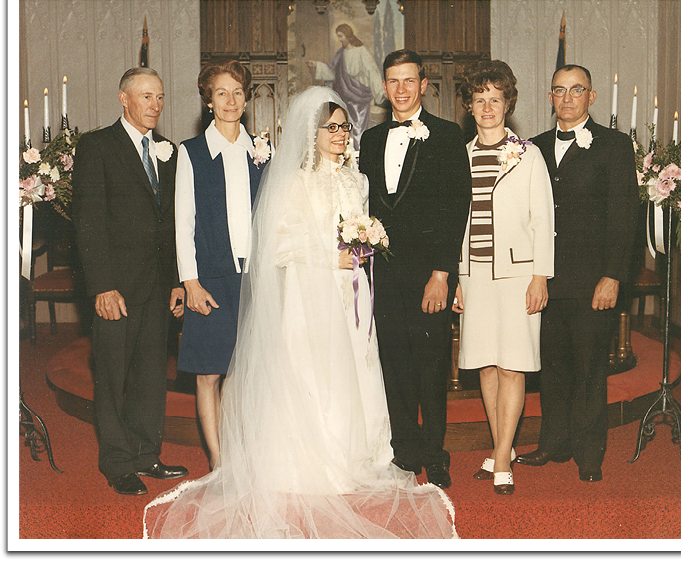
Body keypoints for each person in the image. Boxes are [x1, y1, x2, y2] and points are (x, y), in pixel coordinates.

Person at [144, 87, 456, 538]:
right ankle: (313, 459)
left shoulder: (358, 180)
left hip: (353, 293)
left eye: (344, 128)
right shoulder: (295, 182)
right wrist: (335, 256)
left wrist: (366, 247)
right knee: (317, 374)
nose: (339, 135)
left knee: (357, 368)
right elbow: (279, 245)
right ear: (311, 135)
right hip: (311, 292)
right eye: (330, 128)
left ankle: (357, 456)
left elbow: (367, 231)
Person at [515, 65, 639, 481]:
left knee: (589, 369)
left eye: (576, 90)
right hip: (545, 280)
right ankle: (553, 443)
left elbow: (624, 219)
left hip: (592, 282)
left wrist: (613, 275)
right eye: (558, 91)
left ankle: (590, 453)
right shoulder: (532, 147)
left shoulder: (615, 146)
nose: (567, 98)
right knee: (551, 368)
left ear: (592, 96)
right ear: (550, 97)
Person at [358, 51, 472, 490]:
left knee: (430, 366)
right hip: (383, 274)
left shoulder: (445, 136)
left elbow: (455, 208)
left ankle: (435, 454)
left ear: (424, 84)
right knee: (394, 363)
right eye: (393, 81)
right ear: (384, 88)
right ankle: (405, 451)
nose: (401, 89)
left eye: (409, 80)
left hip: (430, 275)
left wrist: (443, 273)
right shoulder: (369, 139)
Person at [72, 68, 188, 495]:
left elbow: (172, 222)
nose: (155, 105)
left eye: (159, 97)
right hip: (116, 289)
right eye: (145, 97)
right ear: (124, 99)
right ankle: (117, 462)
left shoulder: (167, 151)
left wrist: (176, 281)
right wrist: (102, 285)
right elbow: (88, 223)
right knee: (114, 377)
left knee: (150, 377)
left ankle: (145, 454)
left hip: (157, 288)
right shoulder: (98, 146)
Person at [455, 61, 554, 495]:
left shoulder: (528, 154)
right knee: (487, 364)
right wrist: (455, 277)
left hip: (517, 277)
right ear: (470, 107)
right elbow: (453, 222)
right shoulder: (460, 156)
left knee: (513, 364)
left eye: (496, 98)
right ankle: (503, 449)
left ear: (508, 103)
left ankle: (501, 459)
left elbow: (542, 218)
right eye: (480, 99)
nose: (488, 106)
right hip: (473, 276)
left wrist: (540, 277)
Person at [174, 60, 270, 470]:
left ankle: (240, 450)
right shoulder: (192, 152)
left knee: (245, 371)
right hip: (210, 279)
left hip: (255, 280)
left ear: (246, 99)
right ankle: (218, 460)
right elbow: (183, 223)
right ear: (208, 101)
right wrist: (190, 281)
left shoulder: (262, 151)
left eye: (237, 93)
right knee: (209, 374)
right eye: (221, 93)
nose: (230, 101)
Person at [305, 23, 384, 150]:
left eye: (341, 36)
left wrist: (380, 92)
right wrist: (317, 65)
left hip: (359, 96)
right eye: (338, 37)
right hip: (345, 97)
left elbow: (372, 71)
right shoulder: (341, 53)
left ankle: (360, 153)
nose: (340, 39)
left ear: (348, 35)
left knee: (359, 128)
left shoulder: (361, 51)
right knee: (347, 128)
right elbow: (333, 72)